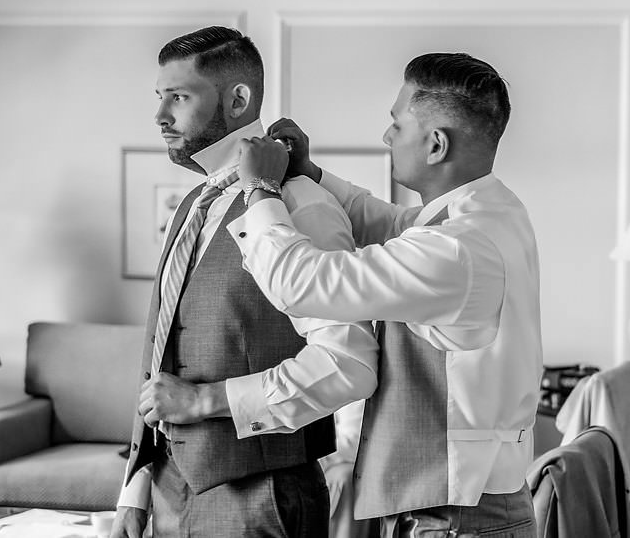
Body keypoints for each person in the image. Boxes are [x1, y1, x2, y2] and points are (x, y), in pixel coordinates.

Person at [227, 52, 543, 537]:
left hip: (457, 520)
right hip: (461, 509)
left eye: (396, 125)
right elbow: (392, 224)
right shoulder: (486, 212)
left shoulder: (455, 250)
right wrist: (311, 173)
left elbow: (299, 282)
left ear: (436, 144)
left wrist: (262, 189)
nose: (386, 137)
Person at [111, 26, 378, 538]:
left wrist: (206, 401)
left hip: (262, 499)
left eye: (180, 96)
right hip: (168, 490)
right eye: (159, 96)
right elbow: (160, 347)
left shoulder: (300, 203)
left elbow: (349, 363)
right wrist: (137, 488)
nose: (160, 115)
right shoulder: (191, 206)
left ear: (238, 99)